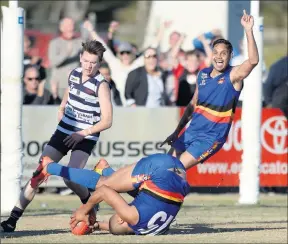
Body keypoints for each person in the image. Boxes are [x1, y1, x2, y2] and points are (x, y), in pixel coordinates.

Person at [1, 40, 112, 233]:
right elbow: (69, 92)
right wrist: (61, 107)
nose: (88, 66)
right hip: (64, 130)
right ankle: (12, 219)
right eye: (85, 60)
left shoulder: (101, 85)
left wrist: (82, 133)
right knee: (39, 172)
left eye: (93, 62)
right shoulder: (74, 74)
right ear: (80, 58)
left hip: (85, 137)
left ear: (99, 63)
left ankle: (89, 202)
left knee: (70, 178)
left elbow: (107, 120)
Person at [160, 10, 259, 170]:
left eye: (224, 53)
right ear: (211, 54)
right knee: (163, 167)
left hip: (210, 138)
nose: (219, 57)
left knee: (174, 169)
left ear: (230, 55)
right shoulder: (203, 74)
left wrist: (248, 30)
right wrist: (177, 131)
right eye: (216, 53)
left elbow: (253, 60)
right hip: (191, 132)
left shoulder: (233, 75)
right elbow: (192, 105)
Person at [23, 153, 190, 235]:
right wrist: (84, 209)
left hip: (179, 175)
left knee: (141, 192)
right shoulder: (132, 219)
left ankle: (106, 170)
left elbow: (116, 227)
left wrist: (95, 226)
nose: (118, 211)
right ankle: (49, 167)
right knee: (103, 183)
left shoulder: (150, 228)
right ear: (121, 218)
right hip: (159, 171)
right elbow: (103, 192)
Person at [48, 17, 83, 99]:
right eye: (68, 25)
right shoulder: (55, 43)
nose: (71, 28)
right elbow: (53, 62)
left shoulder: (80, 42)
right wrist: (67, 53)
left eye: (72, 25)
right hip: (60, 85)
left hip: (77, 84)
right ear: (61, 28)